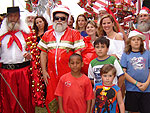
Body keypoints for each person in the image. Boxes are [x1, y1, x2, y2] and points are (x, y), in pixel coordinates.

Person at [37, 5, 85, 113]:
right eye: (56, 18)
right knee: (52, 100)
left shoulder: (74, 34)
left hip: (69, 74)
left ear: (67, 19)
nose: (59, 20)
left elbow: (78, 54)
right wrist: (44, 71)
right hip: (51, 74)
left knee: (69, 100)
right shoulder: (47, 35)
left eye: (62, 18)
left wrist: (76, 73)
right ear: (53, 19)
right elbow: (43, 54)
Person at [0, 6, 34, 113]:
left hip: (23, 71)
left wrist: (30, 55)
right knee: (9, 98)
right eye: (10, 16)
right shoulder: (1, 37)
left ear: (19, 18)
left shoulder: (26, 35)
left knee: (24, 98)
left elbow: (34, 52)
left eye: (15, 16)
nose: (13, 19)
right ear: (7, 18)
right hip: (6, 73)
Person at [120, 30, 150, 113]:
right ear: (129, 42)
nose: (136, 42)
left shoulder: (147, 53)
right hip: (132, 88)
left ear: (141, 41)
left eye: (138, 39)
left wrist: (147, 83)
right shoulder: (126, 54)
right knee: (133, 110)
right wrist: (136, 83)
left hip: (146, 89)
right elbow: (124, 72)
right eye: (133, 40)